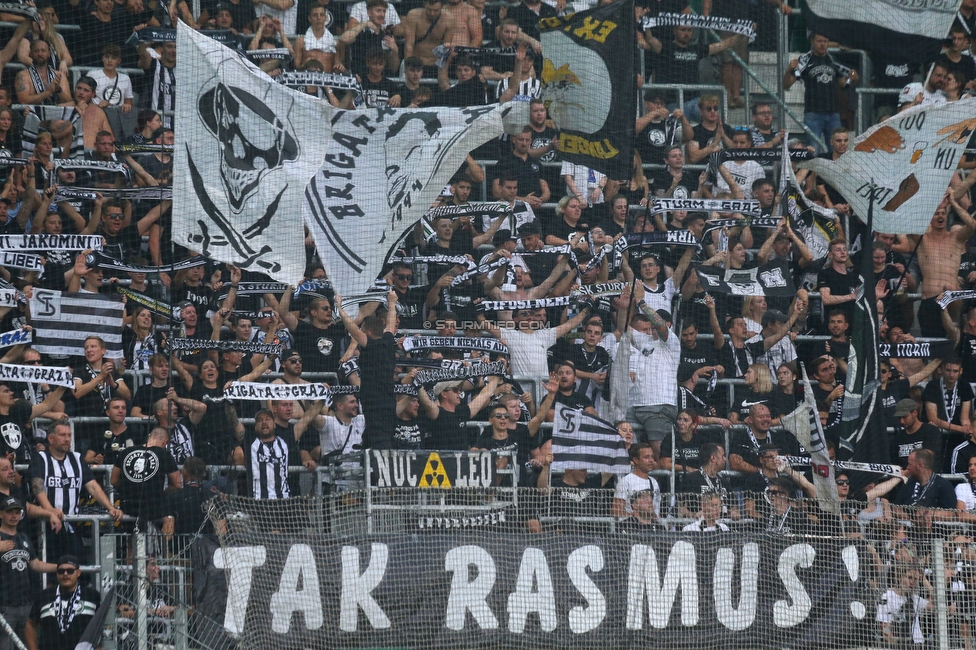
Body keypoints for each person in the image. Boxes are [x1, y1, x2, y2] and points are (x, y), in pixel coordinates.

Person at [29, 422, 124, 560]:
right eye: (62, 435)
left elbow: (92, 486)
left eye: (69, 435)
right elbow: (37, 486)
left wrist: (110, 507)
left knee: (75, 566)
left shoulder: (77, 458)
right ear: (50, 438)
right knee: (50, 568)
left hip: (71, 524)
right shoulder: (40, 458)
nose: (67, 439)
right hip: (45, 524)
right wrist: (50, 510)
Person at [337, 292, 397, 449]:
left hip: (374, 399)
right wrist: (391, 303)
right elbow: (390, 324)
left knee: (380, 438)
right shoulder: (389, 342)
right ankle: (367, 443)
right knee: (377, 430)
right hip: (388, 397)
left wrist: (339, 307)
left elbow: (352, 328)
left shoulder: (370, 345)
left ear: (367, 333)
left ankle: (381, 466)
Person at [783, 31, 858, 154]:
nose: (822, 44)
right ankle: (812, 174)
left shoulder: (832, 60)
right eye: (819, 41)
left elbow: (844, 86)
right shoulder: (804, 61)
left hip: (833, 113)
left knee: (837, 151)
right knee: (813, 151)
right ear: (812, 41)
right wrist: (789, 70)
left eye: (825, 41)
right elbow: (786, 84)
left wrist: (852, 79)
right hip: (813, 114)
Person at [0, 495, 57, 650]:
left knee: (29, 646)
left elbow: (35, 564)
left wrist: (59, 567)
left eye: (17, 512)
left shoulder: (24, 538)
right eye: (9, 512)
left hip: (26, 605)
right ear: (1, 514)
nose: (13, 516)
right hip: (4, 607)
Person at [24, 555, 100, 650]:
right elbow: (30, 624)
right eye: (61, 571)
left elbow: (101, 625)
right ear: (56, 574)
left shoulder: (92, 596)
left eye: (70, 571)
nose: (65, 574)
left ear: (78, 573)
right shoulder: (44, 596)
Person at [110, 427, 181, 526]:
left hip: (127, 506)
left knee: (129, 538)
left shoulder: (125, 452)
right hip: (154, 508)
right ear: (165, 442)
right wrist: (163, 493)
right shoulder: (164, 455)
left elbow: (113, 480)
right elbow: (177, 484)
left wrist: (128, 487)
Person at [419, 377, 502, 449]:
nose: (459, 392)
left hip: (462, 463)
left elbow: (483, 395)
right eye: (455, 390)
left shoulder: (462, 411)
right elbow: (426, 402)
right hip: (442, 463)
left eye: (459, 389)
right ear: (444, 394)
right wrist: (418, 384)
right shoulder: (437, 412)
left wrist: (497, 375)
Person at [729, 404, 803, 476]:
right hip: (749, 483)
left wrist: (777, 466)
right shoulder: (740, 437)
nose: (765, 419)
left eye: (768, 416)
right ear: (750, 420)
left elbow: (788, 459)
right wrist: (762, 472)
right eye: (761, 417)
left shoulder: (778, 437)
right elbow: (734, 463)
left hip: (777, 481)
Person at [311, 393, 364, 492]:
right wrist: (313, 396)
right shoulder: (329, 422)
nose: (356, 405)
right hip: (332, 484)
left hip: (355, 484)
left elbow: (391, 412)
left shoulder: (360, 421)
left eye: (356, 401)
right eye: (352, 402)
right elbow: (311, 417)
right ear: (340, 406)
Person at [922, 357, 973, 458]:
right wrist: (960, 429)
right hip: (937, 435)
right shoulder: (932, 386)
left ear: (961, 371)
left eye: (955, 371)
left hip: (957, 437)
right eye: (948, 370)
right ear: (941, 370)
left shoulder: (965, 386)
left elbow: (964, 417)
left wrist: (968, 429)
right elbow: (933, 419)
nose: (951, 374)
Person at [877, 563, 936, 648]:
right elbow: (885, 628)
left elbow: (936, 604)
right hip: (901, 645)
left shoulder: (915, 599)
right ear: (900, 577)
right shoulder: (887, 596)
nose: (912, 582)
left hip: (919, 644)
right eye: (909, 578)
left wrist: (925, 581)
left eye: (916, 579)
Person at [161, 457, 219, 538]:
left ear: (184, 472)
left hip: (181, 548)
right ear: (203, 474)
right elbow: (221, 531)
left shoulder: (173, 497)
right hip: (208, 547)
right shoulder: (214, 498)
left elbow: (168, 533)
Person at [611, 443, 661, 519]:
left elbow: (656, 511)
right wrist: (638, 516)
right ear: (636, 460)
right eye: (646, 457)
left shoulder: (654, 482)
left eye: (652, 457)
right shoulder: (626, 482)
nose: (651, 460)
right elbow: (615, 512)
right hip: (631, 528)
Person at [15, 38, 70, 105]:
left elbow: (69, 102)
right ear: (31, 54)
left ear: (49, 53)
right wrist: (48, 92)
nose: (40, 54)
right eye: (36, 51)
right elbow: (23, 101)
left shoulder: (60, 76)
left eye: (43, 51)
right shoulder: (23, 76)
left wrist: (59, 90)